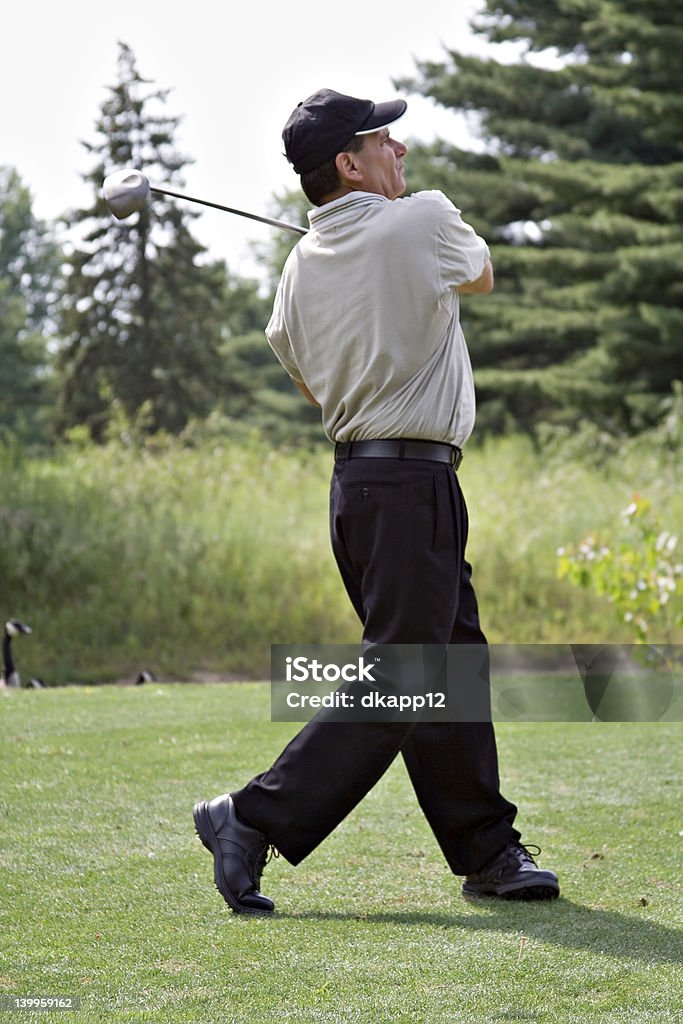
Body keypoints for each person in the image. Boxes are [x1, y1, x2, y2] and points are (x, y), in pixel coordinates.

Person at [193, 88, 560, 914]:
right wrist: (389, 253)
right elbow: (484, 275)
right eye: (382, 141)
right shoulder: (422, 218)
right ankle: (250, 815)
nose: (400, 151)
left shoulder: (297, 270)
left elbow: (306, 379)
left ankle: (487, 848)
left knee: (446, 665)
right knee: (407, 672)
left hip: (358, 489)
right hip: (409, 487)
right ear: (348, 166)